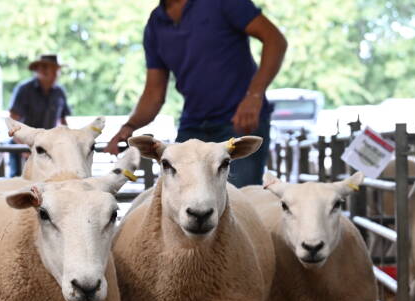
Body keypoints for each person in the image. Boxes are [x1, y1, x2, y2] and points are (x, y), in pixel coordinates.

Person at [106, 0, 287, 187]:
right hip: (193, 126)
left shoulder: (223, 3)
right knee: (178, 194)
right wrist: (129, 126)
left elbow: (275, 40)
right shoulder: (155, 24)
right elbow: (154, 93)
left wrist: (254, 96)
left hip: (238, 123)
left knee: (237, 200)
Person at [7, 54, 72, 176]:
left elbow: (63, 122)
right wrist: (23, 146)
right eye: (49, 70)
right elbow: (12, 121)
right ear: (39, 70)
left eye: (55, 70)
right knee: (18, 182)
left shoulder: (59, 92)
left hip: (46, 147)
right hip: (22, 144)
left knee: (47, 182)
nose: (54, 74)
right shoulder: (24, 90)